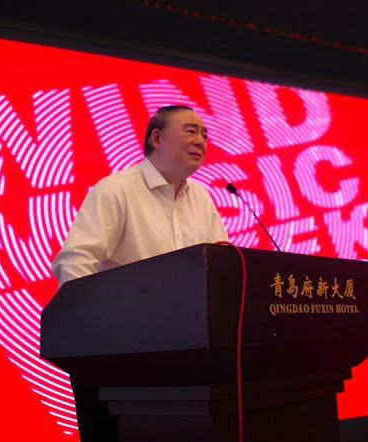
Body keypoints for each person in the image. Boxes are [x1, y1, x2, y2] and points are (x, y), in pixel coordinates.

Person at [50, 105, 229, 441]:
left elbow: (220, 265)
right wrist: (89, 329)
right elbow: (75, 261)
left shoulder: (202, 198)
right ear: (157, 139)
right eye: (191, 130)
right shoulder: (116, 189)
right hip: (120, 352)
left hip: (187, 350)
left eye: (205, 134)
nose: (201, 140)